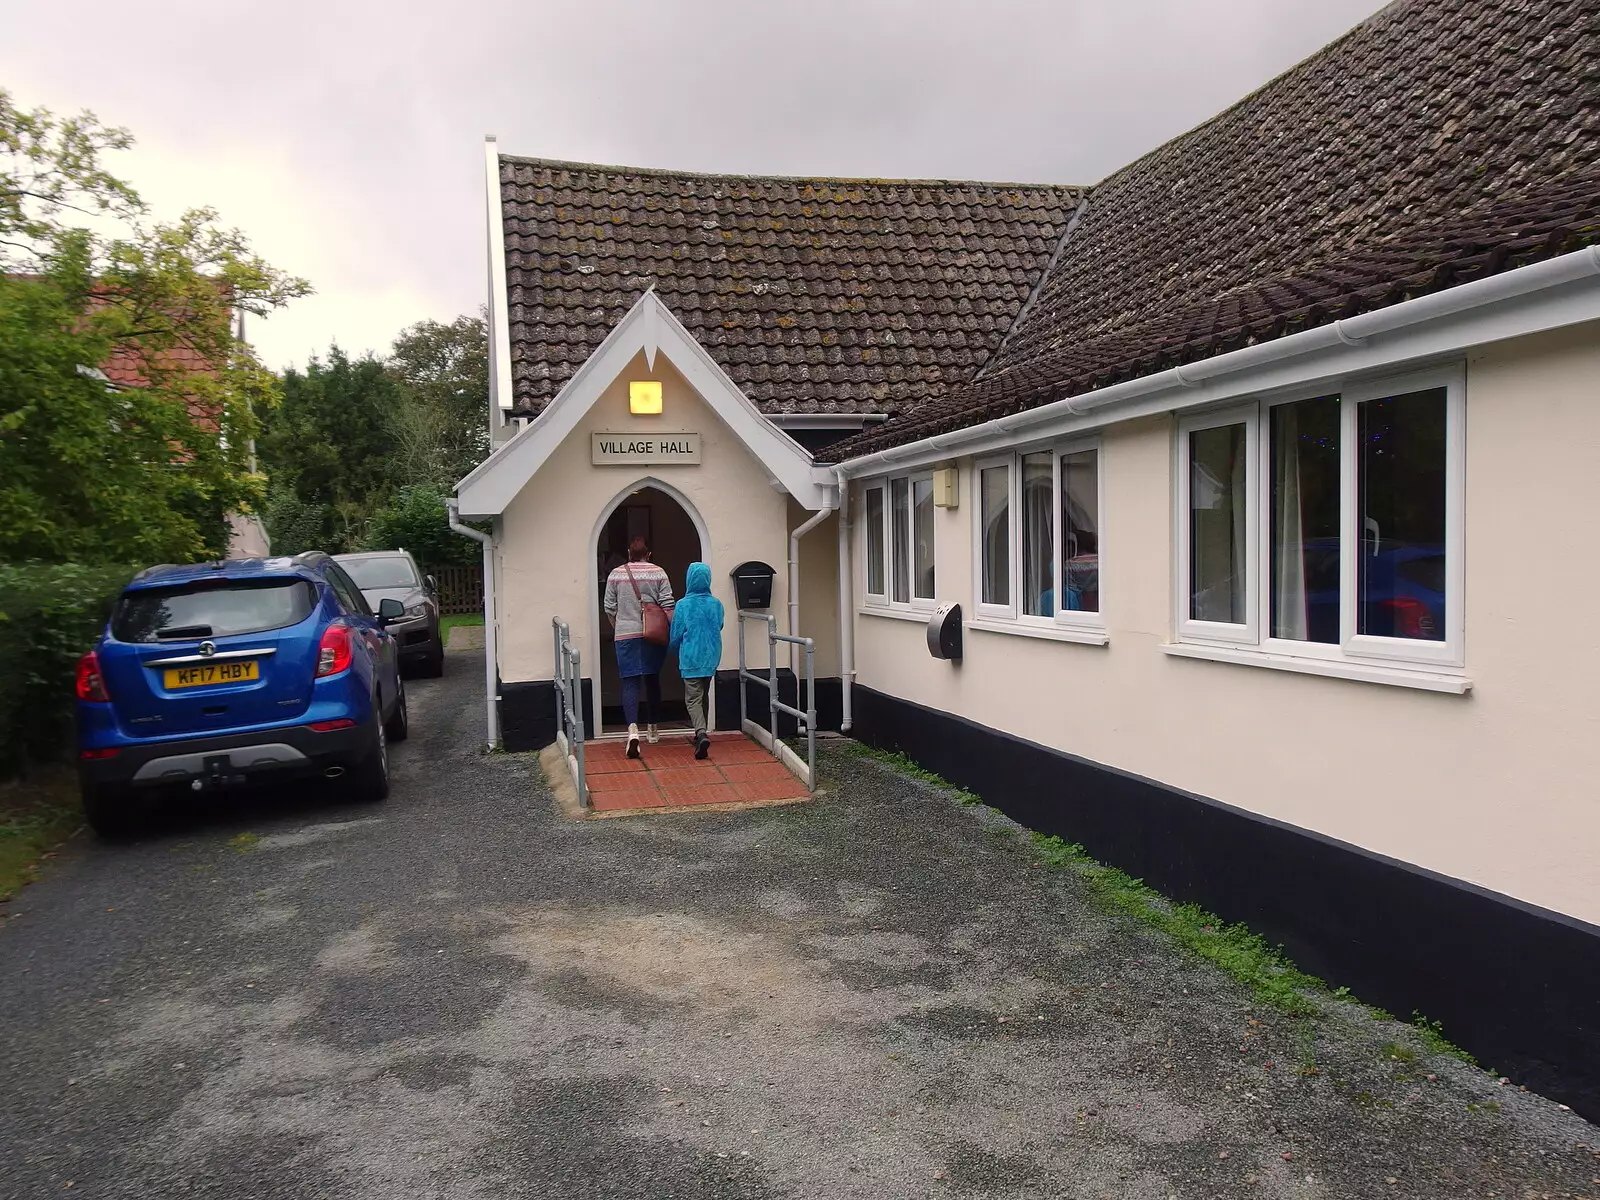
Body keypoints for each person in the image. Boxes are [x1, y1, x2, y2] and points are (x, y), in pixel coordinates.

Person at [603, 536, 675, 758]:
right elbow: (668, 604)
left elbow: (609, 607)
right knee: (652, 679)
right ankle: (652, 729)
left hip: (625, 635)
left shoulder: (616, 574)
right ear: (648, 554)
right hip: (653, 633)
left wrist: (620, 626)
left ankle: (632, 729)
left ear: (628, 552)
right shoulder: (659, 572)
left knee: (630, 681)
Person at [668, 561, 724, 760]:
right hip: (711, 657)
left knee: (692, 699)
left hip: (691, 657)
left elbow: (675, 635)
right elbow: (720, 625)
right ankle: (701, 731)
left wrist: (673, 650)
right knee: (704, 695)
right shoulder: (716, 604)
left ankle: (700, 733)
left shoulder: (683, 605)